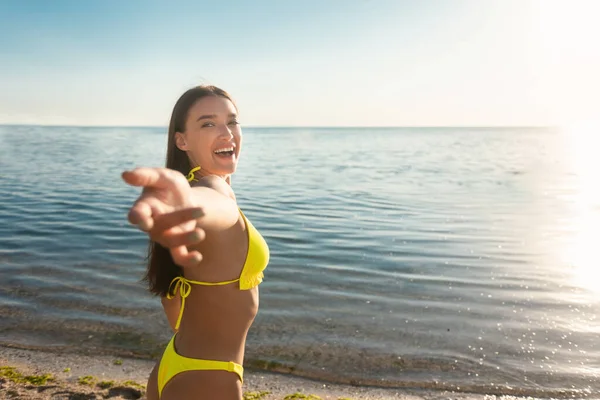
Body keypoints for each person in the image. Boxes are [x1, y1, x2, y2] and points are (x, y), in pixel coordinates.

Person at [121, 85, 270, 400]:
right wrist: (182, 198)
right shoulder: (212, 188)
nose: (227, 132)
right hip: (209, 378)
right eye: (208, 123)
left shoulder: (198, 194)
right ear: (182, 140)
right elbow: (215, 205)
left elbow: (174, 310)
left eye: (232, 121)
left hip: (175, 363)